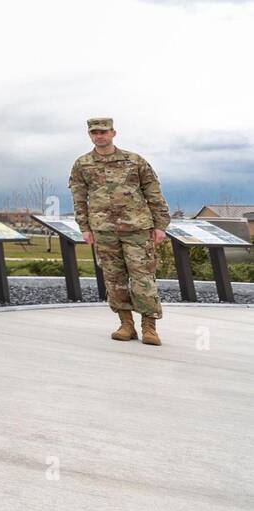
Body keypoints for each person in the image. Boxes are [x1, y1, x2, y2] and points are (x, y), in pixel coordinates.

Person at [68, 117, 171, 346]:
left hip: (137, 228)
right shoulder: (82, 164)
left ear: (113, 133)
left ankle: (149, 326)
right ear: (90, 135)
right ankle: (126, 325)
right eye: (95, 132)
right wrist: (84, 228)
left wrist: (160, 225)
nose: (99, 136)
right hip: (104, 230)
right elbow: (79, 199)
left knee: (143, 278)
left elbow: (153, 193)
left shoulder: (134, 161)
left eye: (104, 131)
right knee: (114, 280)